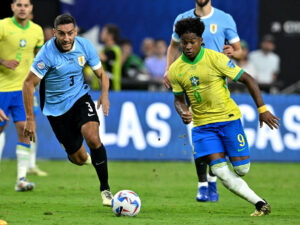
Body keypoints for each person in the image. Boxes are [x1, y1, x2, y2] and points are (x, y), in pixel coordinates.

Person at [169, 17, 280, 216]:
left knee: (242, 169)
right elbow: (178, 100)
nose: (187, 46)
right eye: (184, 42)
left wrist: (262, 110)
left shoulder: (215, 58)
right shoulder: (176, 69)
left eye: (192, 41)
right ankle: (260, 204)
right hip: (203, 127)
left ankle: (226, 154)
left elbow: (248, 79)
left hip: (228, 119)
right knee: (221, 172)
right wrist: (182, 111)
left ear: (201, 40)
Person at [22, 14, 113, 206]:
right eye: (61, 34)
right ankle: (74, 153)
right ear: (54, 33)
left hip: (80, 98)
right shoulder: (47, 54)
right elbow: (28, 84)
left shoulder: (85, 46)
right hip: (56, 110)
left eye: (70, 33)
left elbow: (102, 74)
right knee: (79, 159)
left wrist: (104, 94)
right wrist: (30, 119)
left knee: (94, 138)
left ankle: (105, 189)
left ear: (76, 32)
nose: (66, 38)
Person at [164, 0, 243, 202]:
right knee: (197, 134)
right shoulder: (182, 19)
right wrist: (167, 69)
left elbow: (239, 50)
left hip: (216, 85)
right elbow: (172, 46)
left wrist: (233, 53)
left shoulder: (225, 19)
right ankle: (202, 184)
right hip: (190, 82)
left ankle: (212, 179)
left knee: (216, 133)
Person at [0, 0, 47, 191]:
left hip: (23, 92)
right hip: (2, 89)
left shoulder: (36, 31)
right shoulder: (3, 26)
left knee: (25, 131)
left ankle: (21, 179)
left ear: (31, 8)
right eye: (18, 4)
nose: (22, 8)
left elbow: (39, 58)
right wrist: (3, 61)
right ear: (12, 7)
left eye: (26, 5)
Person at [99, 24, 122, 91]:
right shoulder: (104, 50)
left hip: (112, 89)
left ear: (110, 36)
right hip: (100, 88)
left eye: (103, 32)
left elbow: (102, 58)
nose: (101, 34)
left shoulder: (114, 50)